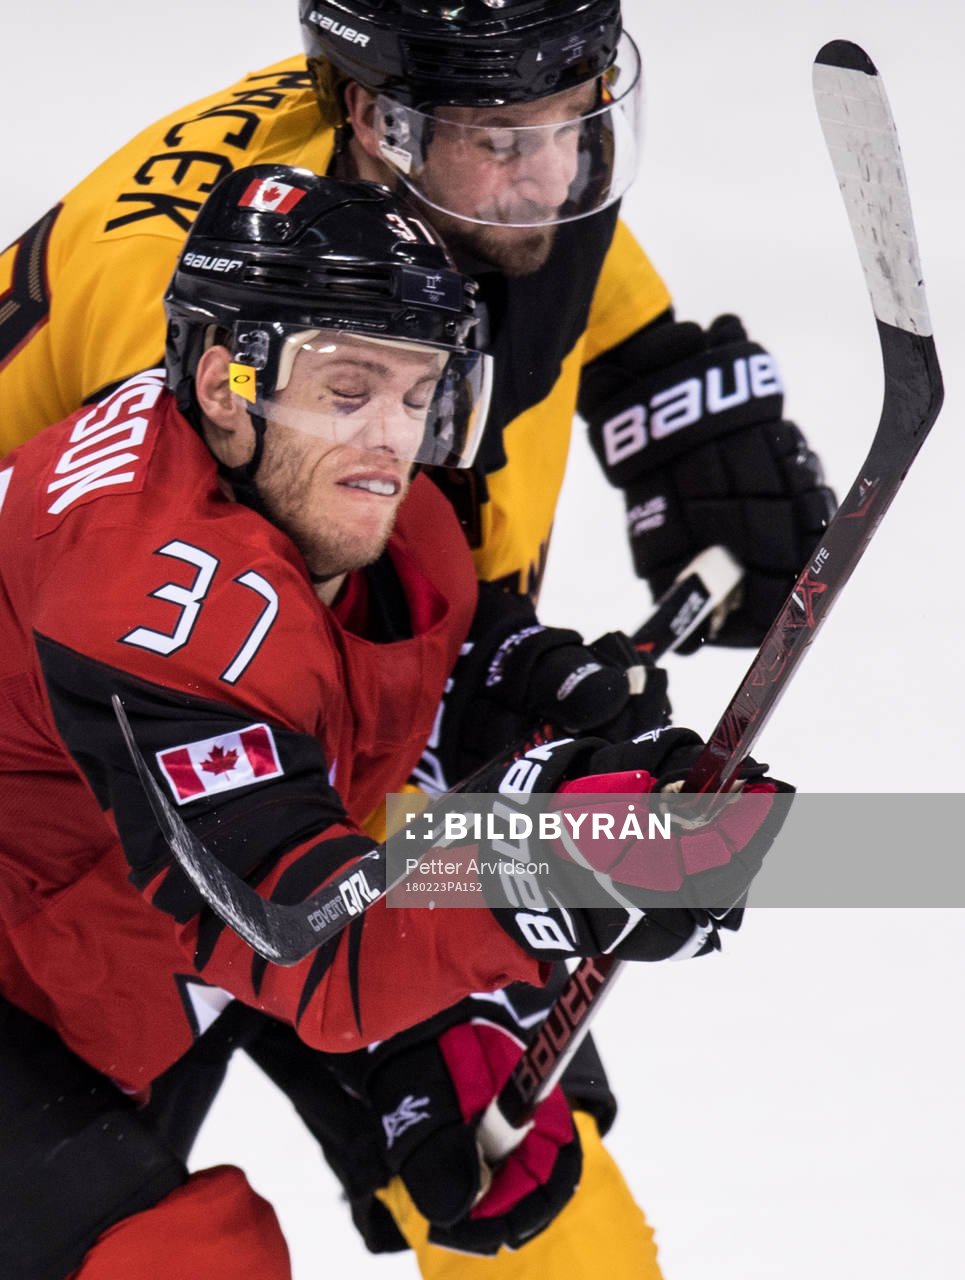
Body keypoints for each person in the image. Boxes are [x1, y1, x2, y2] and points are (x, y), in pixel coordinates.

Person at [0, 1, 824, 1273]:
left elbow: (381, 631)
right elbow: (290, 894)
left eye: (576, 125)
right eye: (503, 137)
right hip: (111, 851)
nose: (548, 178)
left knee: (525, 1185)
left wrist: (651, 376)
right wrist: (529, 860)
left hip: (210, 813)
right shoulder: (163, 492)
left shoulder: (386, 248)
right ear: (373, 122)